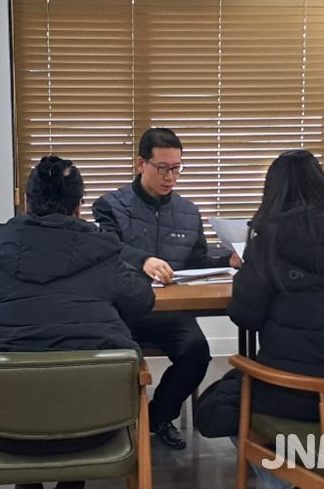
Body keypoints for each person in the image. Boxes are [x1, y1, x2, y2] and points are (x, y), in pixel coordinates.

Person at [0, 155, 154, 489]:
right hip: (96, 429)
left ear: (27, 203)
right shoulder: (102, 250)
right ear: (79, 207)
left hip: (3, 430)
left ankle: (27, 481)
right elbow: (141, 302)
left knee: (16, 402)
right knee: (81, 392)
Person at [194, 150, 324, 488]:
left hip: (290, 387)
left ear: (274, 190)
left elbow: (245, 316)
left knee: (212, 411)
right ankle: (310, 468)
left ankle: (285, 481)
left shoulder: (270, 235)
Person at [93, 127, 240, 450]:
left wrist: (228, 259)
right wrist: (143, 260)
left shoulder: (188, 212)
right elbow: (105, 249)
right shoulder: (109, 205)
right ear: (140, 164)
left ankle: (157, 416)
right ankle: (111, 424)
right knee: (113, 361)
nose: (170, 177)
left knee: (197, 353)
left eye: (176, 168)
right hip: (123, 311)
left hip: (171, 313)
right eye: (162, 168)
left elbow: (197, 260)